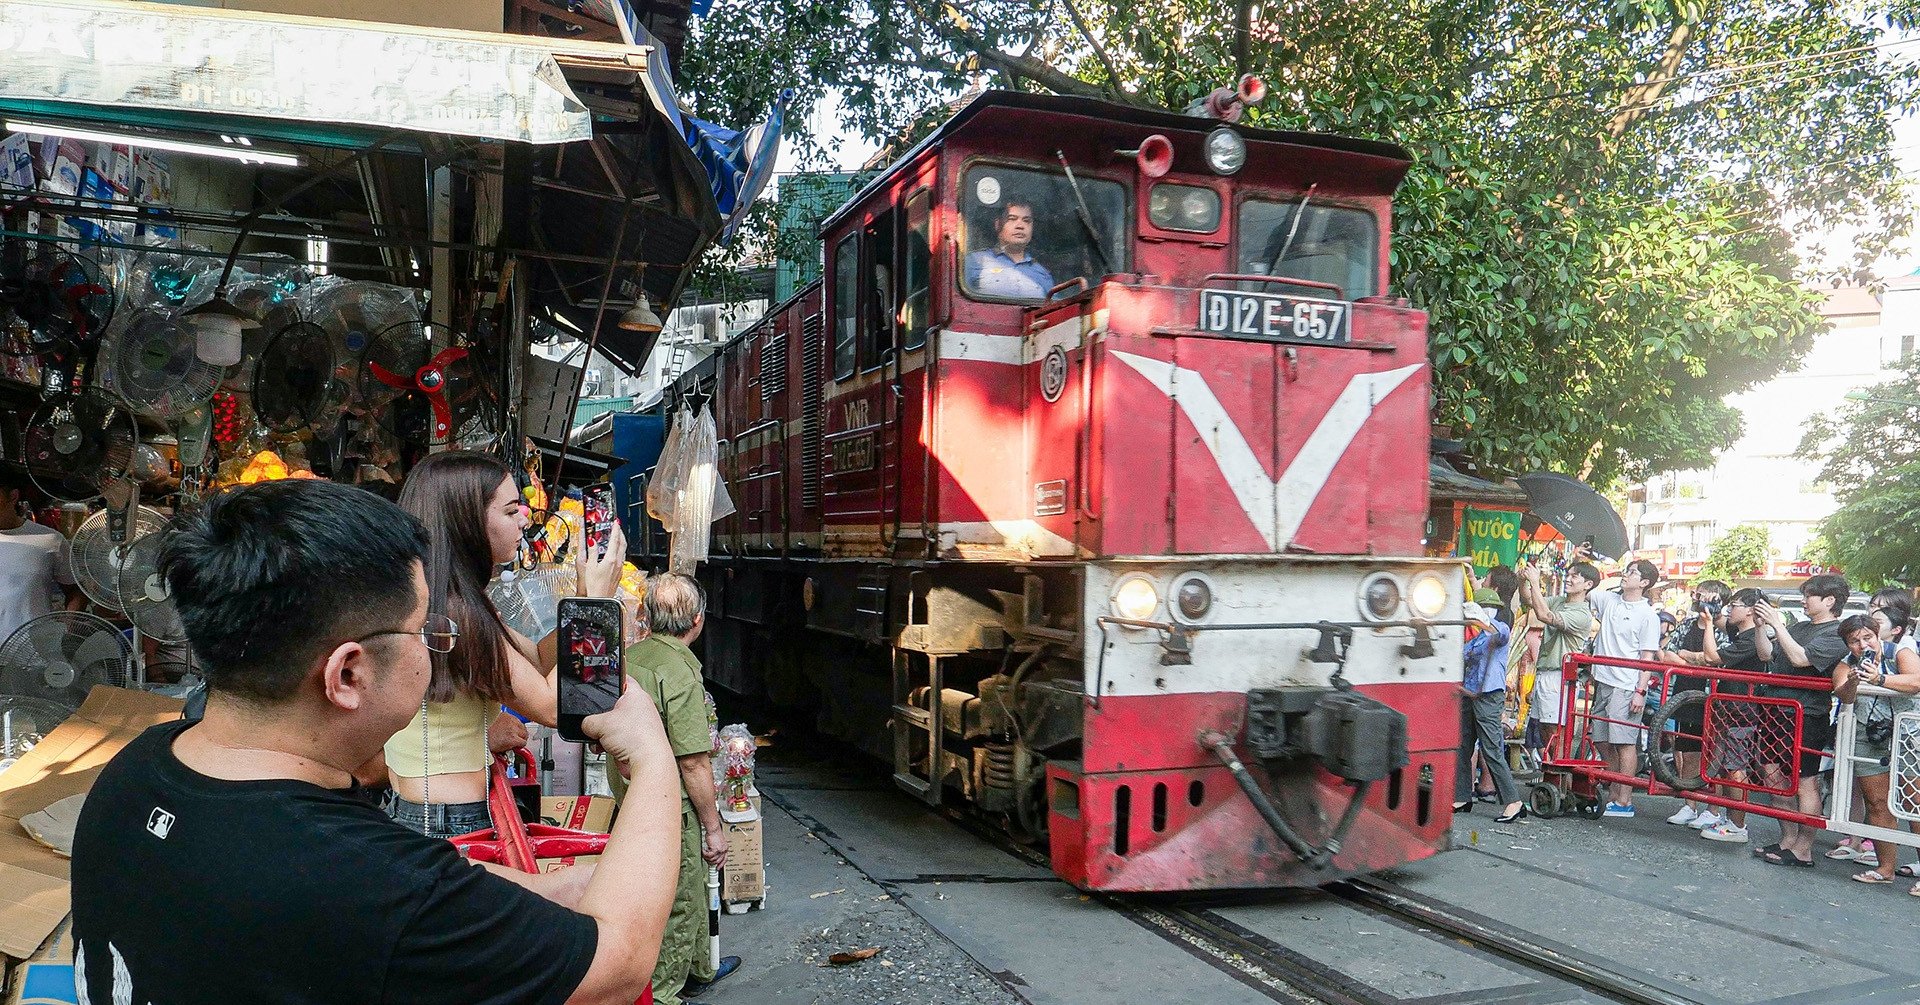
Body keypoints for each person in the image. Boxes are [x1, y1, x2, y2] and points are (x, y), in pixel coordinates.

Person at [71, 479, 685, 1005]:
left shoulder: (131, 772)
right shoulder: (364, 882)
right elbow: (617, 966)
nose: (432, 651)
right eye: (420, 632)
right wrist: (655, 761)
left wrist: (564, 890)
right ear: (348, 674)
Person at [385, 451, 627, 838]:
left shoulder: (441, 600)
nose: (525, 519)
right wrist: (594, 608)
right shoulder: (453, 612)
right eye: (511, 510)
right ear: (467, 521)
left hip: (424, 812)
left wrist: (585, 595)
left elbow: (537, 661)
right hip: (449, 822)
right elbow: (552, 705)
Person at [609, 573, 740, 1005]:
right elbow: (694, 762)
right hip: (672, 803)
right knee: (681, 896)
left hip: (634, 794)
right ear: (698, 620)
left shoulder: (634, 657)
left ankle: (702, 966)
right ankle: (663, 993)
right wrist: (713, 827)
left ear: (645, 616)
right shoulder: (680, 672)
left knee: (692, 882)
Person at [1750, 575, 1851, 867]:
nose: (1805, 601)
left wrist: (1778, 625)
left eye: (1810, 596)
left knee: (1806, 782)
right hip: (1775, 708)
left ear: (1830, 600)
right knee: (1773, 776)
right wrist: (1761, 627)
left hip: (1807, 713)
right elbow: (1767, 654)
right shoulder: (1798, 627)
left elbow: (1800, 659)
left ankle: (1803, 848)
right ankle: (1787, 839)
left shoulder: (1836, 633)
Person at [1833, 609, 1920, 884]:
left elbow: (1916, 681)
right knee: (1876, 802)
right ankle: (1885, 869)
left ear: (1877, 635)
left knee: (1914, 802)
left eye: (1868, 637)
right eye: (1855, 641)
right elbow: (1842, 693)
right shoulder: (1846, 663)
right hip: (1868, 736)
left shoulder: (1899, 653)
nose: (1863, 645)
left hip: (1909, 733)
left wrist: (1880, 679)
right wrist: (1854, 681)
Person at [1586, 558, 1664, 818]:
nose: (1626, 575)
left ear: (1644, 582)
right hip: (1603, 680)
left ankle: (1625, 800)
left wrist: (1640, 691)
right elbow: (1589, 589)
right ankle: (1614, 791)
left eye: (1632, 573)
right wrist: (1586, 559)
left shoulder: (1648, 615)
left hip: (1626, 683)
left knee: (1624, 742)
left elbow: (1647, 657)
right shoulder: (1610, 601)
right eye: (1627, 571)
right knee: (1601, 739)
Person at [1697, 588, 1774, 844]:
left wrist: (1707, 625)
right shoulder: (1740, 631)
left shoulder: (1751, 638)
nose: (1731, 610)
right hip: (1729, 707)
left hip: (1743, 711)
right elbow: (1721, 619)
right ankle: (1730, 818)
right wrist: (1710, 608)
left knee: (1735, 767)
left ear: (1751, 610)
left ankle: (1738, 825)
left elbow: (1712, 657)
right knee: (1725, 765)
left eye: (1736, 605)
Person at [1661, 579, 1730, 830]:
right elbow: (1668, 653)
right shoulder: (1688, 624)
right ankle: (1689, 803)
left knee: (1713, 754)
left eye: (1705, 596)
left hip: (1712, 696)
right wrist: (1695, 661)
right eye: (1697, 594)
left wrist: (1687, 657)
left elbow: (1716, 660)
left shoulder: (1724, 628)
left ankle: (1713, 808)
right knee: (1688, 750)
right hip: (1684, 694)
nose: (1698, 598)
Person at [1514, 557, 1597, 757]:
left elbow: (1544, 616)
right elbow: (1529, 601)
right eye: (1568, 575)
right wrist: (1522, 580)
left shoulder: (1582, 614)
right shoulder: (1559, 601)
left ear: (1588, 584)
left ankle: (1559, 781)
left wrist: (1535, 581)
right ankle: (1553, 778)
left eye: (1574, 576)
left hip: (1560, 677)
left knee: (1555, 732)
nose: (1568, 579)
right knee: (1544, 731)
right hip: (1545, 672)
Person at [1455, 601, 1526, 821]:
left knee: (1492, 749)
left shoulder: (1499, 631)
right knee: (1463, 745)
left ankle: (1513, 801)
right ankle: (1461, 796)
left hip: (1487, 696)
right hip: (1470, 694)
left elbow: (1500, 633)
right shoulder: (1476, 639)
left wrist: (1483, 620)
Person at [0, 461, 79, 643]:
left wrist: (67, 624)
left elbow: (75, 590)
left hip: (31, 656)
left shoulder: (49, 540)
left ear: (13, 496)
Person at [964, 200, 1053, 300]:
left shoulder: (1042, 273)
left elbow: (1055, 310)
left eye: (1026, 221)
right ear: (998, 225)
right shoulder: (975, 262)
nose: (1020, 226)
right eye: (1012, 219)